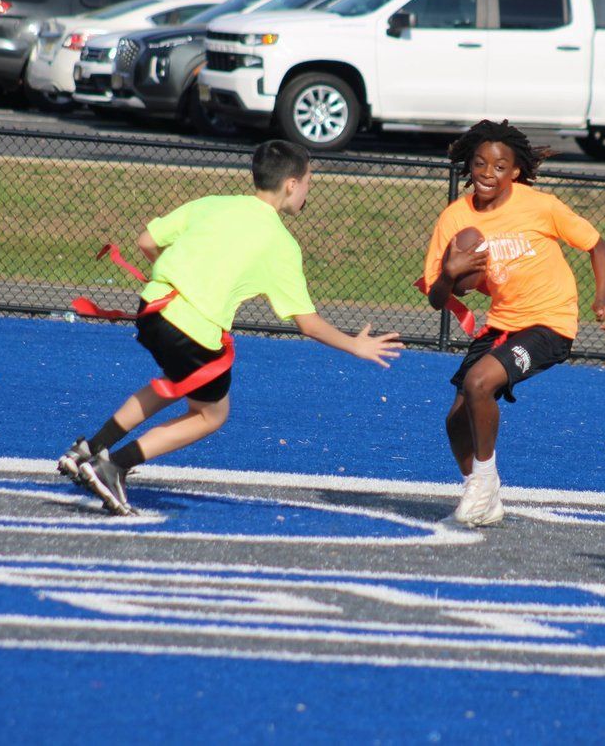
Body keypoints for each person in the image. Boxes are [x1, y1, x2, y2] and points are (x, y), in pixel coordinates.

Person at [59, 139, 402, 515]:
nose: (308, 191)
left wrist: (180, 276)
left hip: (153, 308)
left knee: (174, 385)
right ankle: (113, 465)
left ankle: (88, 450)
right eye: (308, 182)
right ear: (290, 184)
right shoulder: (279, 242)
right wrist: (357, 345)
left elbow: (146, 241)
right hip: (192, 329)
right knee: (211, 415)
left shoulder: (214, 203)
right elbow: (307, 323)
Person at [422, 119, 605, 528]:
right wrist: (450, 272)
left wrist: (601, 299)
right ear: (470, 165)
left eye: (499, 167)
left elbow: (596, 244)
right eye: (480, 164)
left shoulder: (540, 205)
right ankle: (484, 497)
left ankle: (484, 479)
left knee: (480, 382)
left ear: (515, 171)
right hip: (502, 323)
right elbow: (436, 298)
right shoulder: (454, 219)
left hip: (550, 322)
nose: (487, 174)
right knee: (456, 420)